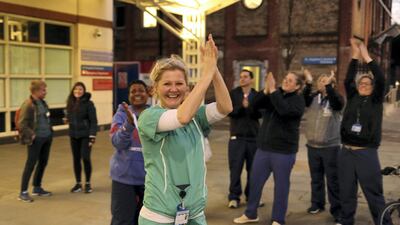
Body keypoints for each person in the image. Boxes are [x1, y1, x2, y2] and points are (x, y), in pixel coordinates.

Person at [137, 34, 232, 225]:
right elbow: (181, 117)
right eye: (167, 84)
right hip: (159, 217)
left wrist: (213, 71)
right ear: (155, 88)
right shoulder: (149, 117)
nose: (174, 89)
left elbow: (225, 107)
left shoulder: (196, 116)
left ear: (186, 86)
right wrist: (206, 74)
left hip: (194, 214)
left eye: (179, 83)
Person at [234, 71, 305, 225]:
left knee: (281, 186)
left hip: (284, 151)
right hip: (264, 148)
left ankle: (278, 219)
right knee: (255, 182)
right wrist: (265, 91)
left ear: (298, 86)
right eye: (285, 79)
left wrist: (273, 91)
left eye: (290, 80)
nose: (286, 82)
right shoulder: (275, 94)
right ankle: (251, 214)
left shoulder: (298, 101)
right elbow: (253, 106)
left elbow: (284, 111)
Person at [338, 38, 388, 225]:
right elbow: (348, 79)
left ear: (373, 88)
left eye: (368, 83)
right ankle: (346, 221)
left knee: (374, 194)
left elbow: (381, 78)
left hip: (366, 153)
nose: (364, 85)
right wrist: (354, 56)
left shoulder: (376, 101)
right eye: (361, 83)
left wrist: (366, 57)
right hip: (346, 152)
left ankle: (383, 221)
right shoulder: (353, 98)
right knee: (346, 192)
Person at [302, 69, 344, 224]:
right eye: (321, 81)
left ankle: (337, 210)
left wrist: (330, 88)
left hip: (330, 147)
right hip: (312, 146)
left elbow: (338, 104)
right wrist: (308, 82)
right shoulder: (313, 98)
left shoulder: (336, 99)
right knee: (316, 178)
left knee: (333, 180)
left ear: (332, 84)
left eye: (326, 81)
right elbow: (303, 99)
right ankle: (317, 204)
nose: (323, 83)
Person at [110, 80, 150, 225]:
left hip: (150, 180)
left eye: (141, 90)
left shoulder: (155, 115)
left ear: (148, 93)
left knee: (146, 221)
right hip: (124, 179)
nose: (137, 94)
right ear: (129, 95)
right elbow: (118, 143)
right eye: (133, 91)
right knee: (122, 220)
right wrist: (129, 124)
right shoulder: (121, 115)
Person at [227, 69, 261, 208]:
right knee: (235, 169)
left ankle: (251, 196)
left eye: (245, 77)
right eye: (241, 77)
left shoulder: (257, 95)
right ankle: (234, 197)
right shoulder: (234, 94)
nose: (242, 79)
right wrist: (242, 107)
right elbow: (229, 111)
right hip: (237, 138)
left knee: (253, 170)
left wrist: (250, 107)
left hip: (253, 139)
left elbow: (261, 113)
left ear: (251, 80)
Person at [18, 80, 53, 203]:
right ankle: (23, 192)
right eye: (43, 90)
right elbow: (21, 124)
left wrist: (50, 133)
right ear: (36, 91)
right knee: (30, 164)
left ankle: (37, 187)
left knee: (43, 162)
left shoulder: (43, 103)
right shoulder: (28, 104)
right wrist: (32, 135)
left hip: (46, 137)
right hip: (36, 139)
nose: (45, 92)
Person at [65, 82, 98, 193]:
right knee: (76, 159)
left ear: (83, 91)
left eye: (80, 89)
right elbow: (69, 117)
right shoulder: (70, 103)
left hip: (85, 135)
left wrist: (92, 136)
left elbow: (93, 121)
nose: (77, 91)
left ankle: (87, 183)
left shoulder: (89, 104)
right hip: (73, 135)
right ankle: (78, 183)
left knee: (85, 158)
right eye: (75, 89)